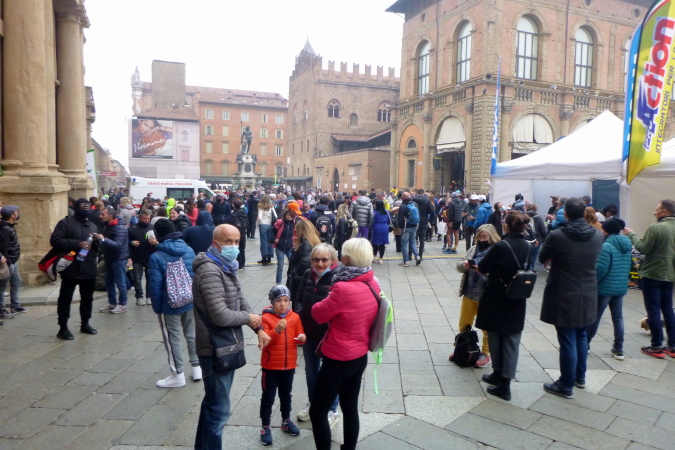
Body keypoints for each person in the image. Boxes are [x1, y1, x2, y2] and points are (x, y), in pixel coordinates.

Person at [192, 224, 271, 449]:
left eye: (237, 241)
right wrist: (248, 318)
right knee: (219, 410)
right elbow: (220, 315)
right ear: (215, 244)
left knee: (213, 404)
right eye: (229, 241)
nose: (234, 246)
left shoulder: (224, 266)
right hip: (214, 348)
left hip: (224, 346)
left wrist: (258, 327)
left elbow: (240, 298)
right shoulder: (210, 270)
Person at [309, 238, 379, 450]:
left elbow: (318, 314)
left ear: (346, 259)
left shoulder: (342, 288)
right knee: (349, 407)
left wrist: (323, 296)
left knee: (317, 411)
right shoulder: (372, 282)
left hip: (338, 359)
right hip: (359, 356)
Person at [539, 197, 604, 399]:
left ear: (565, 214)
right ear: (584, 213)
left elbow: (541, 257)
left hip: (564, 291)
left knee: (567, 338)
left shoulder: (557, 235)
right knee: (581, 335)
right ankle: (579, 377)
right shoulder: (598, 235)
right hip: (588, 290)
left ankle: (566, 385)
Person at [475, 212, 533, 401]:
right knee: (511, 339)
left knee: (496, 336)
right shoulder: (528, 245)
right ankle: (499, 375)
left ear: (506, 226)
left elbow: (483, 267)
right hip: (517, 297)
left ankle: (504, 384)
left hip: (497, 296)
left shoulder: (501, 246)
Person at [147, 219, 200, 388]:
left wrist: (157, 307)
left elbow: (155, 286)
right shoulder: (189, 250)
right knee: (192, 334)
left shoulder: (156, 256)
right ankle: (197, 368)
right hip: (190, 300)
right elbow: (195, 275)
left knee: (173, 338)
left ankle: (177, 375)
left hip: (169, 304)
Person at [295, 244, 341, 428]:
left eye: (324, 259)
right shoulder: (308, 274)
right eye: (316, 259)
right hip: (309, 332)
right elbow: (298, 298)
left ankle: (332, 409)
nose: (320, 264)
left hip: (329, 334)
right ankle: (314, 403)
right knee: (311, 370)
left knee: (330, 373)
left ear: (332, 260)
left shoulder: (338, 277)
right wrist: (302, 316)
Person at [623, 199, 675, 358]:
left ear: (664, 212)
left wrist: (631, 234)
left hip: (652, 273)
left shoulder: (656, 228)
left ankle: (656, 346)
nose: (654, 212)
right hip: (670, 273)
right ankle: (672, 346)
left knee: (653, 310)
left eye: (657, 209)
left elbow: (643, 248)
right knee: (668, 309)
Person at [258, 285, 305, 445]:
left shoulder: (295, 317)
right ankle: (265, 425)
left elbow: (299, 333)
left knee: (286, 394)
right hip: (271, 366)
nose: (283, 304)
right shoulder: (266, 318)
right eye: (279, 301)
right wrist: (277, 330)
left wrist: (302, 338)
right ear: (273, 302)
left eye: (286, 300)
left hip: (289, 365)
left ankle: (286, 419)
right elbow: (265, 342)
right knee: (268, 396)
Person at [50, 199, 99, 339]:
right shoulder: (65, 223)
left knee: (87, 298)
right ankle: (63, 327)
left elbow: (97, 249)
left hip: (88, 268)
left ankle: (85, 323)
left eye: (89, 206)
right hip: (70, 268)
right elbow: (55, 240)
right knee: (65, 299)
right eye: (83, 206)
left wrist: (97, 241)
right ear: (76, 208)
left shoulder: (93, 226)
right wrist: (78, 243)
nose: (87, 208)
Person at [454, 224, 501, 368]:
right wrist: (464, 265)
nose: (481, 239)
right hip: (469, 292)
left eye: (484, 237)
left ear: (492, 237)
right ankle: (463, 347)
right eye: (479, 237)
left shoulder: (496, 251)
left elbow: (497, 273)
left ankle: (486, 353)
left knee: (486, 326)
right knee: (464, 322)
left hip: (485, 295)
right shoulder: (473, 249)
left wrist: (482, 271)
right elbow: (459, 265)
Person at [586, 217, 632, 360]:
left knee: (596, 316)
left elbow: (600, 269)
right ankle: (619, 348)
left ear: (607, 230)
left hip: (604, 287)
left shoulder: (606, 246)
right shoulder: (627, 245)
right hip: (620, 287)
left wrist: (592, 281)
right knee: (618, 318)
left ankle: (585, 343)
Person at [95, 206, 130, 314]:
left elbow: (118, 245)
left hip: (119, 259)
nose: (100, 216)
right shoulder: (107, 226)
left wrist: (103, 239)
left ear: (110, 216)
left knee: (120, 283)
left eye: (103, 214)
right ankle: (112, 303)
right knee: (109, 281)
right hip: (109, 258)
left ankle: (122, 304)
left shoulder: (120, 228)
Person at [0, 205, 27, 317]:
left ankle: (15, 305)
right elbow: (3, 247)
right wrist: (8, 261)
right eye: (16, 212)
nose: (18, 214)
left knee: (17, 281)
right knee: (2, 286)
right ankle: (1, 310)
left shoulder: (9, 227)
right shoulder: (5, 229)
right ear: (11, 215)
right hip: (9, 261)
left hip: (13, 260)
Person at [287, 220, 321, 309]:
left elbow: (305, 264)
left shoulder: (305, 244)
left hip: (299, 284)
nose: (295, 234)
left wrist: (294, 273)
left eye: (296, 231)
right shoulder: (310, 243)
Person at [128, 209, 156, 306]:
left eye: (148, 218)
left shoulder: (152, 227)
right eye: (144, 218)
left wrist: (155, 242)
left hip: (150, 256)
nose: (146, 220)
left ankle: (149, 296)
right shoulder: (132, 228)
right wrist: (132, 243)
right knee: (137, 278)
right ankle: (139, 296)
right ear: (140, 218)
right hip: (137, 256)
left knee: (150, 278)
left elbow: (158, 240)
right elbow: (126, 241)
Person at [272, 209, 297, 285]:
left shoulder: (294, 223)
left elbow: (296, 234)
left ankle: (292, 280)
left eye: (291, 215)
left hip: (289, 247)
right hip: (280, 246)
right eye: (287, 215)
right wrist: (274, 239)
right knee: (280, 266)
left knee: (293, 263)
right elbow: (272, 231)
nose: (289, 217)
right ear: (285, 215)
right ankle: (278, 283)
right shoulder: (280, 222)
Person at [397, 192, 420, 267]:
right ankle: (417, 256)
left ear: (403, 197)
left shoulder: (403, 205)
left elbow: (400, 217)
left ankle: (406, 261)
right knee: (412, 242)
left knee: (404, 243)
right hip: (414, 225)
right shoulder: (415, 204)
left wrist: (400, 226)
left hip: (406, 226)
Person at [226, 198, 249, 269]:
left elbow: (230, 223)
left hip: (235, 232)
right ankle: (243, 263)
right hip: (243, 232)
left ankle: (239, 263)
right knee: (242, 248)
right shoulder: (244, 213)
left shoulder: (233, 214)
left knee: (237, 247)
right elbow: (247, 223)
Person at [412, 189, 434, 259]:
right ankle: (420, 255)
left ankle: (413, 254)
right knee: (422, 238)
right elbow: (431, 211)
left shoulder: (413, 199)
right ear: (423, 193)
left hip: (414, 220)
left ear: (417, 193)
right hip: (424, 220)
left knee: (413, 237)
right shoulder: (427, 200)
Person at [257, 195, 276, 265]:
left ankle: (264, 258)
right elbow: (276, 216)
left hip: (263, 225)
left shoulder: (261, 207)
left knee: (263, 242)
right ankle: (269, 257)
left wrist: (258, 223)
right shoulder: (271, 207)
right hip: (269, 225)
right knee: (269, 241)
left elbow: (259, 217)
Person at [370, 199, 391, 264]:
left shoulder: (374, 212)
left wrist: (371, 227)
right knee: (382, 244)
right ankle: (381, 259)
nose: (374, 205)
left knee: (375, 243)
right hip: (385, 227)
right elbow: (389, 220)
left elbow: (372, 221)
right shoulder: (387, 211)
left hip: (376, 227)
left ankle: (374, 256)